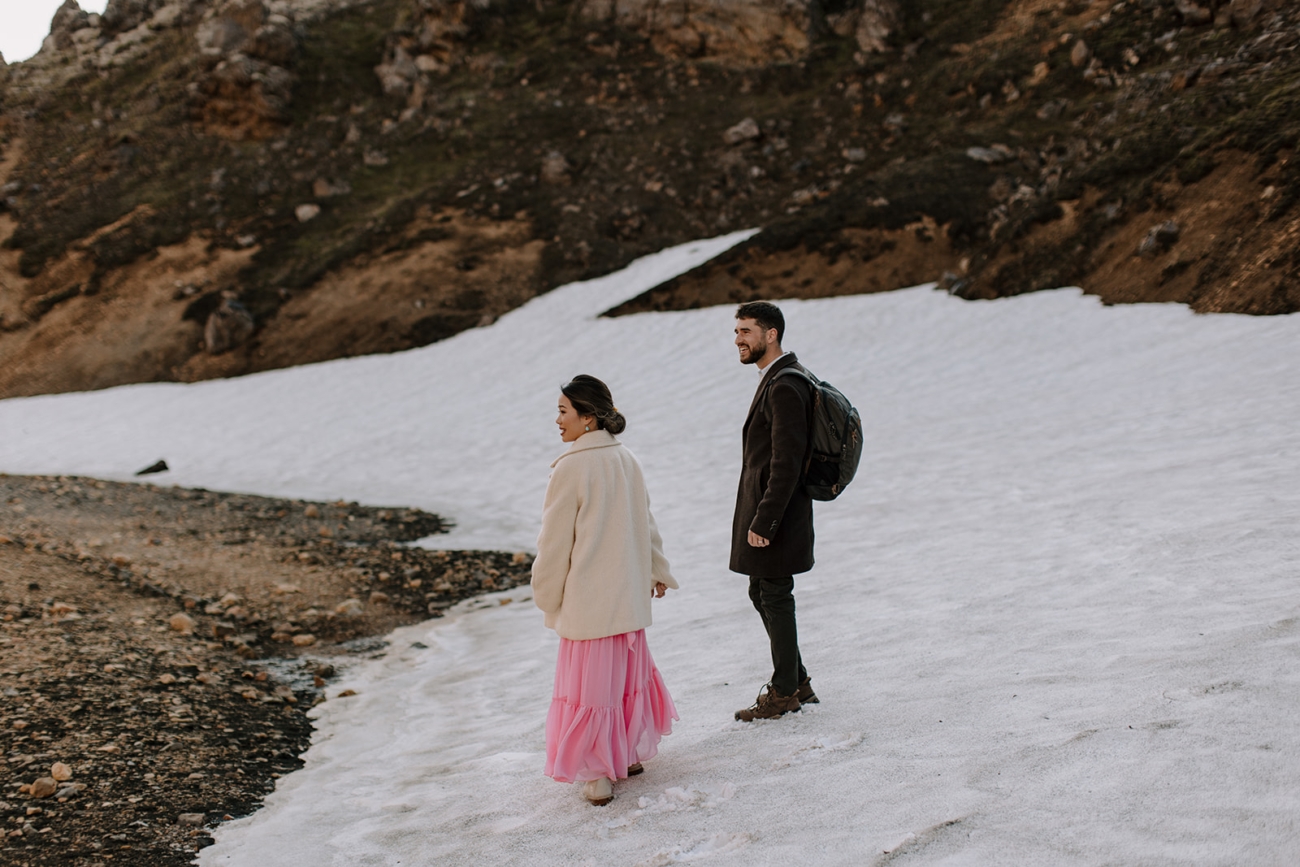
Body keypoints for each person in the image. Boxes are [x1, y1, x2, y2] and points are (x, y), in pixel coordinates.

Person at [532, 374, 679, 806]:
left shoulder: (571, 467)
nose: (557, 420)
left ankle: (597, 774)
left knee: (592, 689)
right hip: (626, 596)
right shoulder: (626, 458)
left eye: (564, 411)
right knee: (623, 680)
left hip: (590, 600)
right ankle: (628, 753)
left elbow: (555, 542)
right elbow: (646, 522)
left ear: (589, 418)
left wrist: (546, 593)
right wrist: (656, 571)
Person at [730, 301, 819, 722]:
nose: (738, 340)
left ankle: (785, 691)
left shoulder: (785, 384)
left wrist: (765, 521)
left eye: (746, 331)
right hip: (772, 509)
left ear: (771, 335)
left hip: (778, 512)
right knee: (762, 591)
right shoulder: (779, 378)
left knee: (774, 594)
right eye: (737, 332)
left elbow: (787, 460)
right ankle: (796, 679)